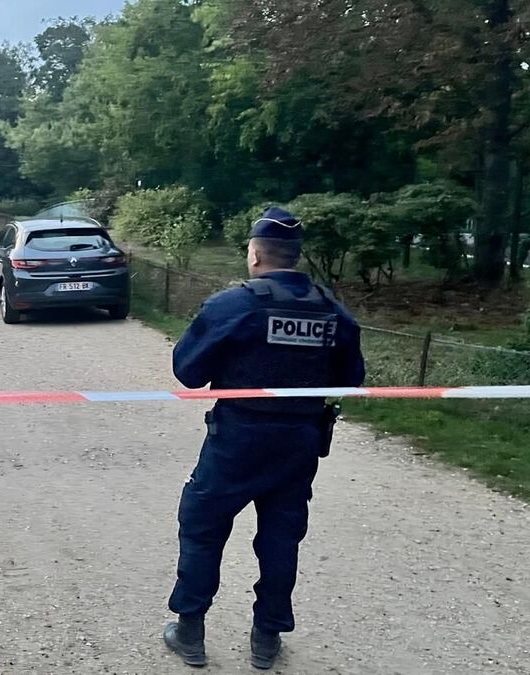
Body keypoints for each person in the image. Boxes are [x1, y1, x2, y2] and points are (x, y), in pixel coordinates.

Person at [163, 207, 365, 670]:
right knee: (280, 537)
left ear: (255, 253)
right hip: (299, 442)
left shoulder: (235, 305)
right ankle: (267, 638)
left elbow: (188, 372)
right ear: (296, 257)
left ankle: (190, 630)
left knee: (202, 527)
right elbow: (352, 376)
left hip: (238, 438)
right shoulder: (330, 308)